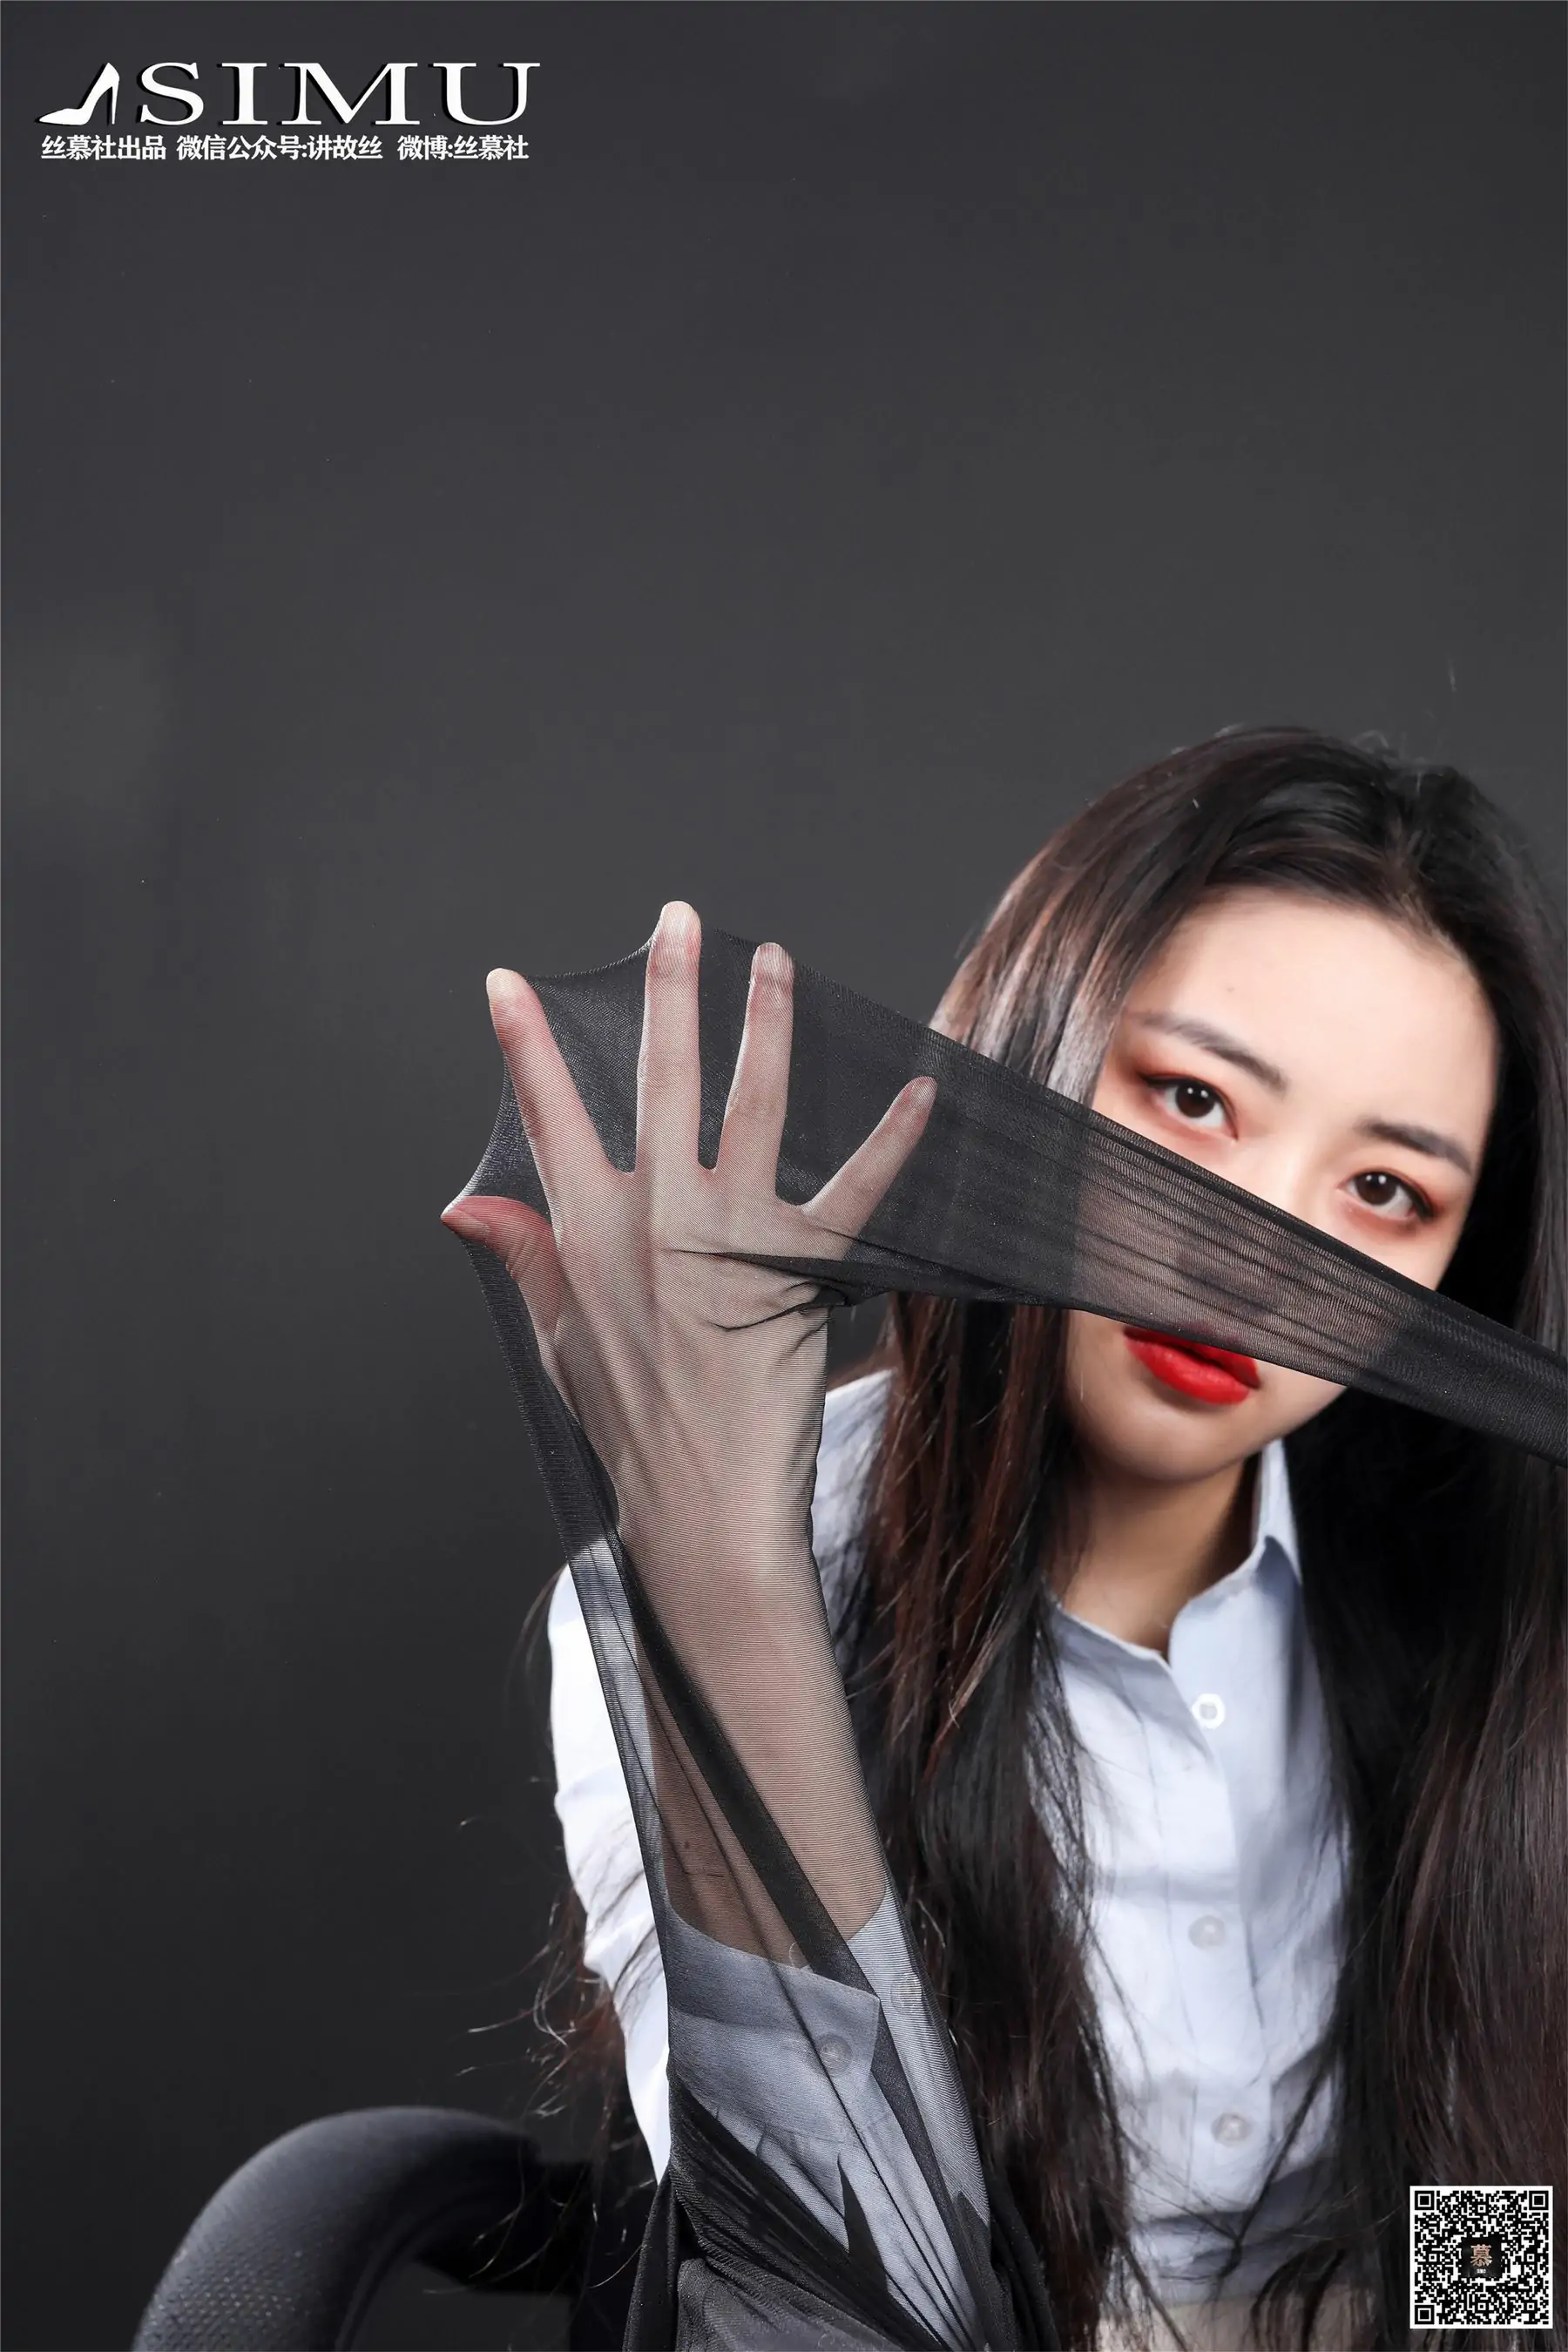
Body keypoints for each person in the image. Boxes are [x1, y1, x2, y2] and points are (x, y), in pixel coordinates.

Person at [443, 728, 1565, 2351]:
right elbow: (828, 2271)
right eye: (1194, 1101)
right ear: (1033, 1063)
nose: (1262, 1259)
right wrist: (717, 1564)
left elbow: (1499, 2138)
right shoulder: (732, 1578)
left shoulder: (1469, 1595)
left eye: (1386, 1191)